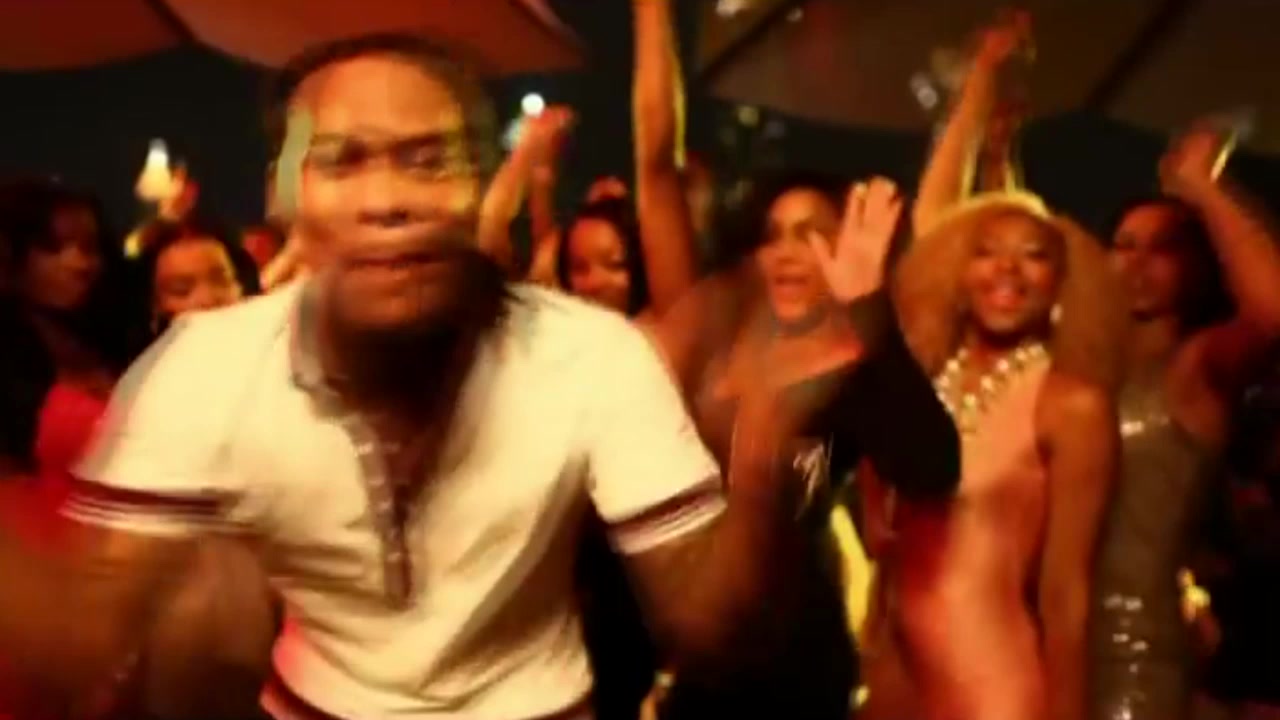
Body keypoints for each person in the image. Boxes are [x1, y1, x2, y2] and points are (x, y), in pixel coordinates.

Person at [0, 33, 846, 720]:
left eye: (428, 160)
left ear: (483, 183)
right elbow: (87, 636)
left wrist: (764, 460)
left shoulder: (589, 354)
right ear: (283, 195)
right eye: (342, 161)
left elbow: (706, 629)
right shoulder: (207, 366)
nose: (387, 199)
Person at [860, 192, 1124, 720]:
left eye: (1034, 255)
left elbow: (1067, 594)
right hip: (895, 677)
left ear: (1062, 282)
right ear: (957, 273)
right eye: (987, 252)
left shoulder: (1071, 407)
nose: (1008, 269)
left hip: (990, 690)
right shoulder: (923, 383)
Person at [1091, 125, 1280, 720]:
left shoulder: (1193, 371)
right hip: (1044, 648)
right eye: (1124, 245)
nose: (1137, 263)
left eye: (1163, 248)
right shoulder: (1078, 370)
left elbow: (1272, 311)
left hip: (1135, 660)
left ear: (1199, 266)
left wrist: (1203, 188)